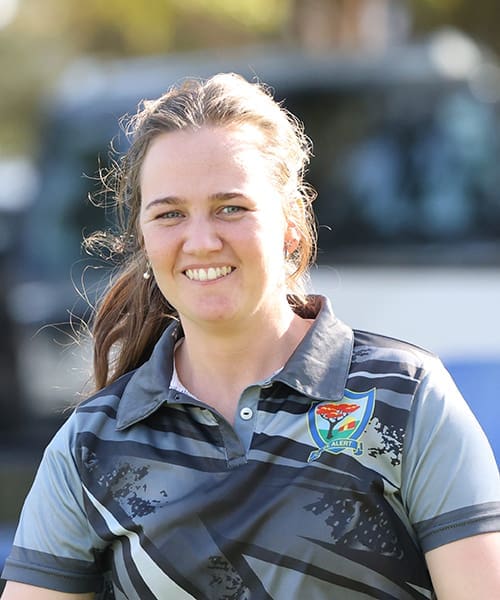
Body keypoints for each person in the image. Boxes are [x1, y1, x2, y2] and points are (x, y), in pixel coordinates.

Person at [1, 73, 499, 600]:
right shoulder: (89, 444)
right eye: (170, 214)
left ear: (291, 224)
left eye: (230, 208)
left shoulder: (407, 396)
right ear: (143, 238)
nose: (201, 241)